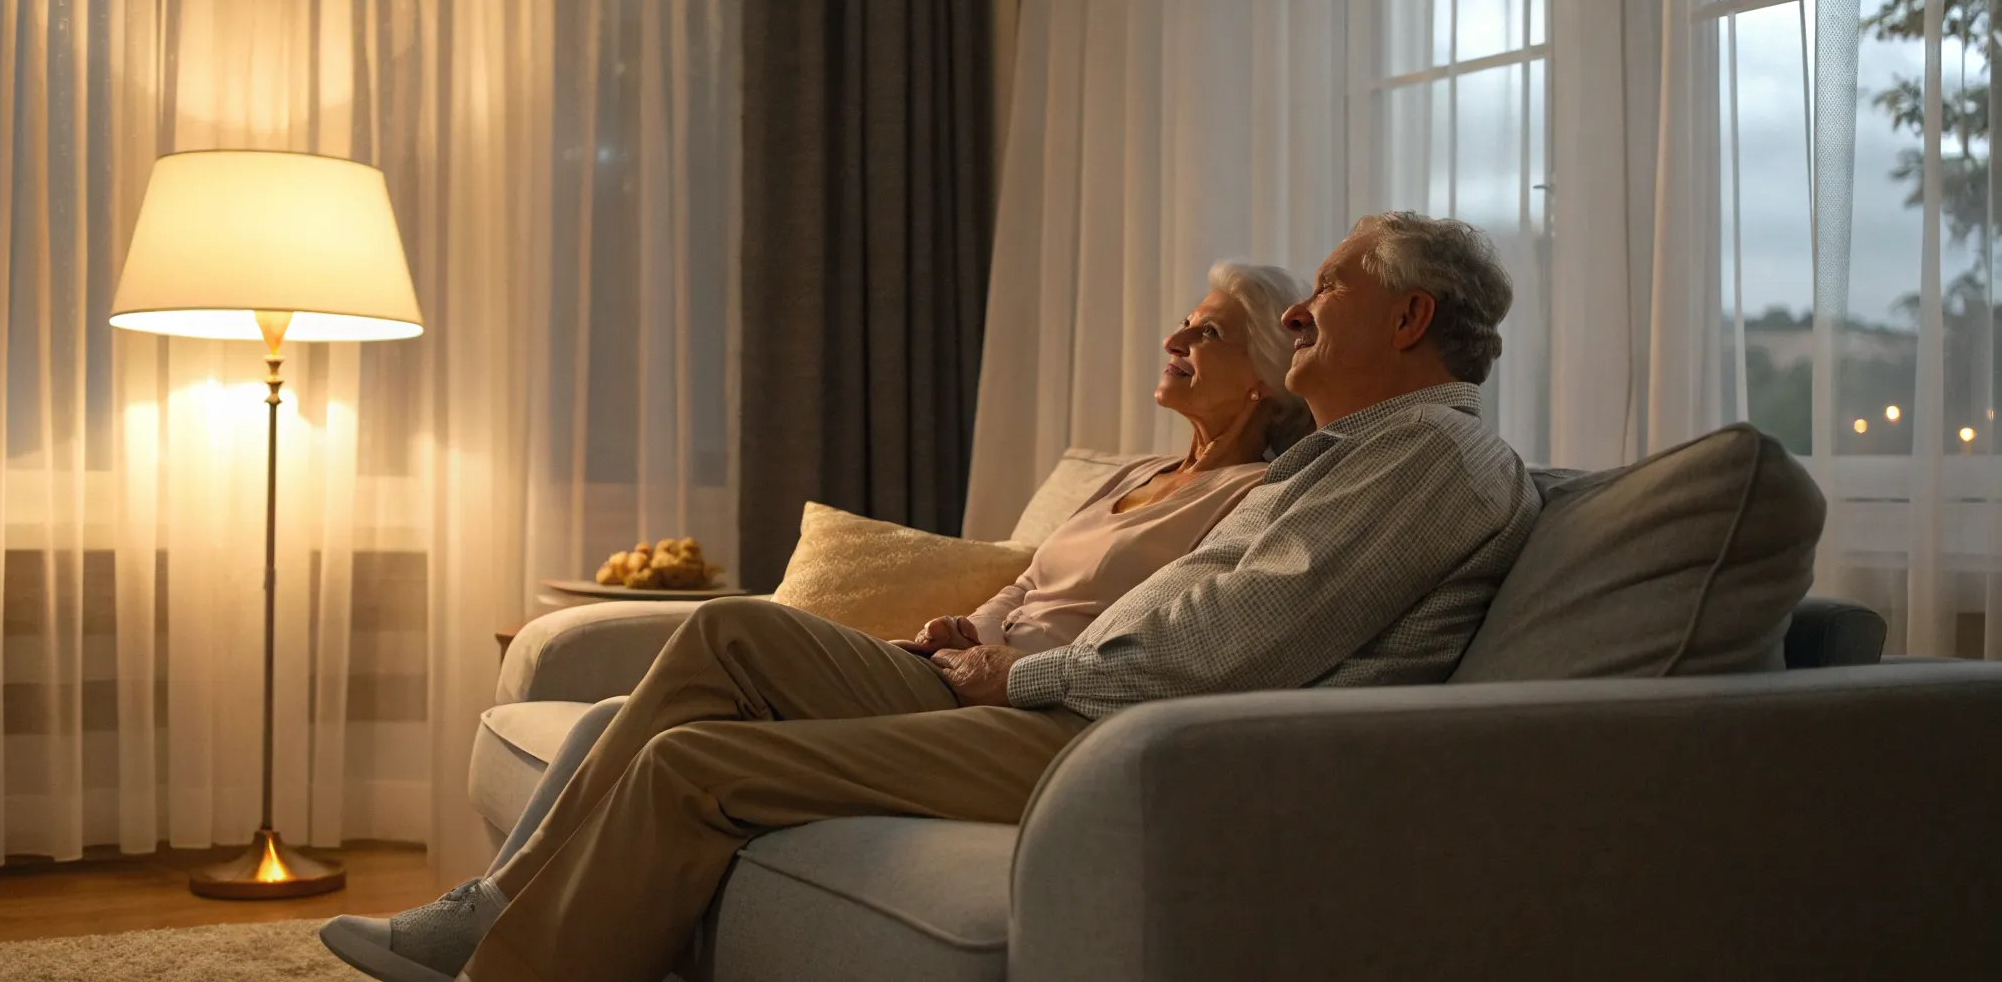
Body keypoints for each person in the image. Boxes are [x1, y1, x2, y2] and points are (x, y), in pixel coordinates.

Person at [323, 212, 1543, 982]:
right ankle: (497, 913)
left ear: (1408, 315)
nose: (1294, 312)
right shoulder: (1359, 459)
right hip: (1072, 706)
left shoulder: (1427, 459)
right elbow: (1186, 616)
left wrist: (1024, 670)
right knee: (731, 633)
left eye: (1323, 287)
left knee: (695, 763)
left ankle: (503, 960)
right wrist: (994, 642)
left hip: (1115, 742)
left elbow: (1231, 646)